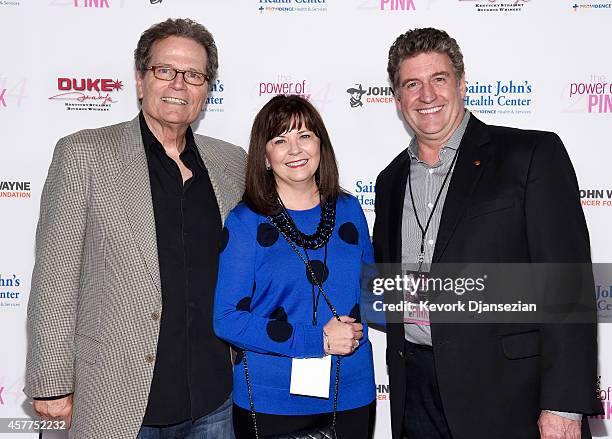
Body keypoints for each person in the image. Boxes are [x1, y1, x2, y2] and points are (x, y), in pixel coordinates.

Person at [373, 28, 602, 439]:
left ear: (461, 84)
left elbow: (568, 285)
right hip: (415, 393)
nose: (427, 95)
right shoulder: (389, 181)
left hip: (510, 393)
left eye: (438, 79)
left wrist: (563, 405)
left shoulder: (529, 156)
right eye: (412, 84)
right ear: (397, 97)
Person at [25, 18, 246, 438]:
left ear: (206, 89)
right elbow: (55, 277)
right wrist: (51, 382)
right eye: (165, 70)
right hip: (115, 399)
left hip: (213, 399)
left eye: (194, 75)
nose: (179, 84)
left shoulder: (230, 162)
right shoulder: (84, 154)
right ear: (141, 81)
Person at [213, 95, 376, 439]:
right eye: (280, 140)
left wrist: (457, 302)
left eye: (304, 136)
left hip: (350, 393)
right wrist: (317, 340)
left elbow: (373, 296)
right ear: (266, 157)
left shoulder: (350, 210)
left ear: (321, 144)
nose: (295, 149)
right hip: (270, 400)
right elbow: (226, 319)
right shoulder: (245, 222)